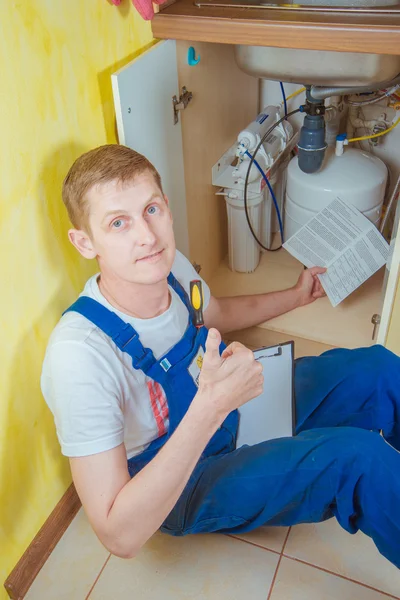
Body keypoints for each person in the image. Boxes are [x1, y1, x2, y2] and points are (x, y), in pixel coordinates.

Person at [41, 144, 400, 566]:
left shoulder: (170, 268)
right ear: (85, 243)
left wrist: (296, 296)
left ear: (167, 207)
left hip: (227, 410)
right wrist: (212, 407)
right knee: (357, 461)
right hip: (181, 480)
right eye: (118, 223)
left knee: (379, 369)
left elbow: (221, 313)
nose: (147, 236)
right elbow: (118, 534)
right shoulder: (78, 356)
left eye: (151, 210)